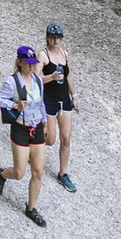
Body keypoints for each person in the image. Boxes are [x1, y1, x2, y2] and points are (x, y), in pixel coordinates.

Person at [0, 46, 49, 226]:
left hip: (37, 127)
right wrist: (15, 105)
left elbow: (41, 103)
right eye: (28, 63)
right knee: (19, 173)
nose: (31, 67)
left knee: (38, 170)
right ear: (20, 62)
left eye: (33, 63)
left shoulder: (38, 81)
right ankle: (2, 175)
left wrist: (45, 123)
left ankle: (31, 208)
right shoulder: (12, 82)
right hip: (21, 129)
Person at [41, 24, 79, 192]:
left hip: (64, 100)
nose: (55, 40)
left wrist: (74, 96)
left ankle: (63, 173)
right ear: (48, 38)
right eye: (52, 37)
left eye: (58, 38)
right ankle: (32, 145)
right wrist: (52, 77)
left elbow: (69, 75)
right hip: (48, 99)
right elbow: (36, 79)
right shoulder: (42, 55)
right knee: (50, 139)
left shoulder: (64, 54)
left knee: (66, 138)